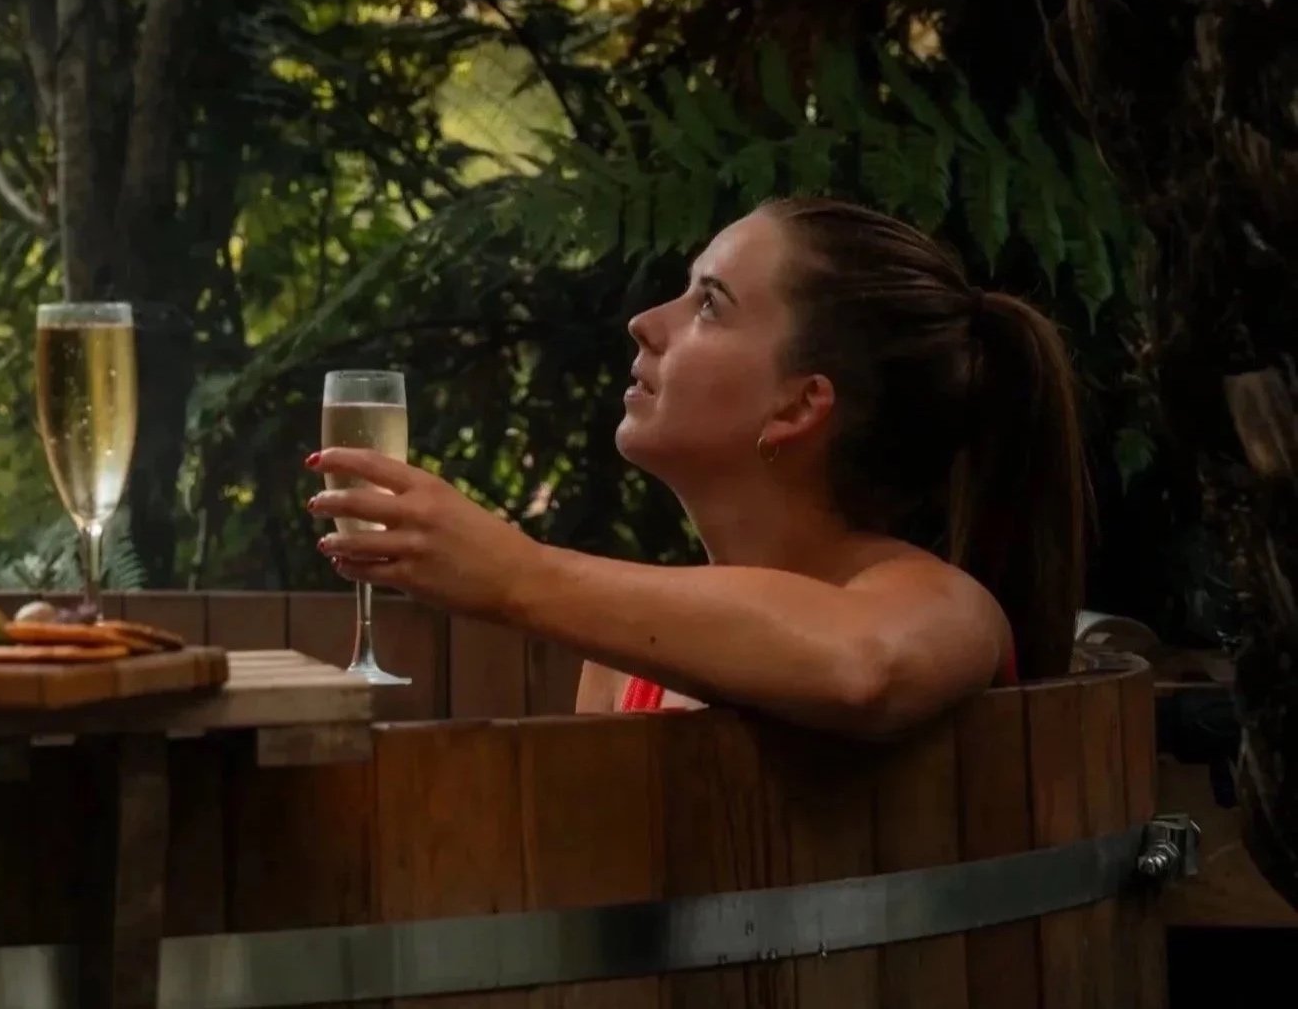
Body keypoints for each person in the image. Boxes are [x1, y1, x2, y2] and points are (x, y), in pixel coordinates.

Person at [308, 197, 1087, 739]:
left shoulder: (948, 608)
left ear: (798, 405)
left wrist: (516, 573)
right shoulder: (625, 666)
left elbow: (862, 666)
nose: (645, 322)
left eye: (709, 304)